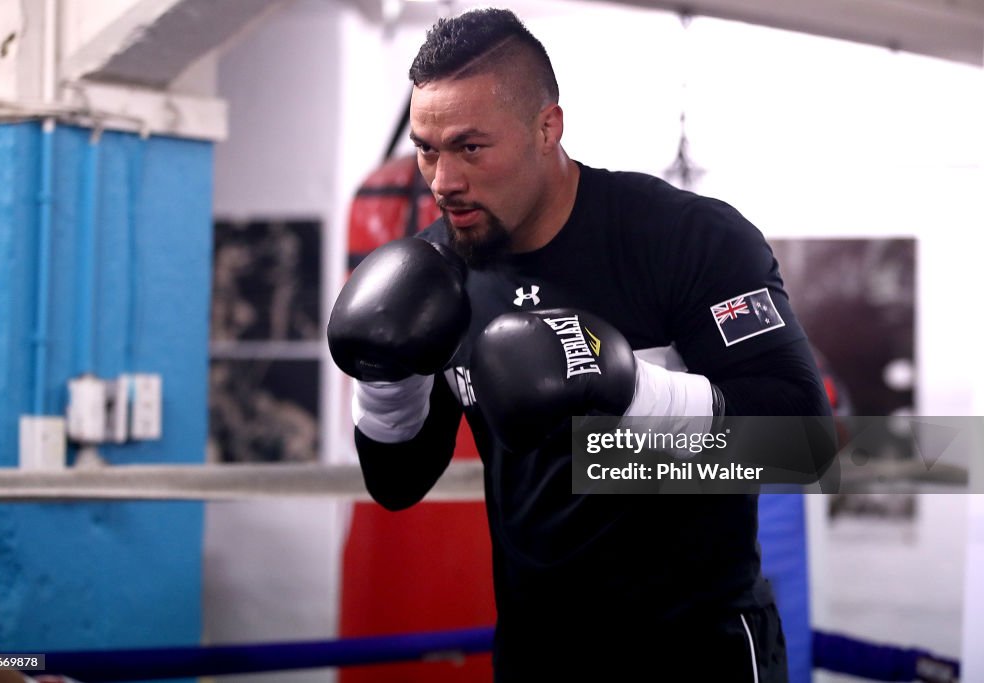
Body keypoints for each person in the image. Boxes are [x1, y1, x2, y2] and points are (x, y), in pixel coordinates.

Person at [328, 8, 832, 681]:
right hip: (539, 650)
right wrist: (386, 381)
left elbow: (802, 446)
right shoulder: (437, 273)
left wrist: (629, 388)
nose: (443, 180)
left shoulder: (683, 240)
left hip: (696, 648)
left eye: (470, 147)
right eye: (426, 149)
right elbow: (396, 484)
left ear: (547, 128)